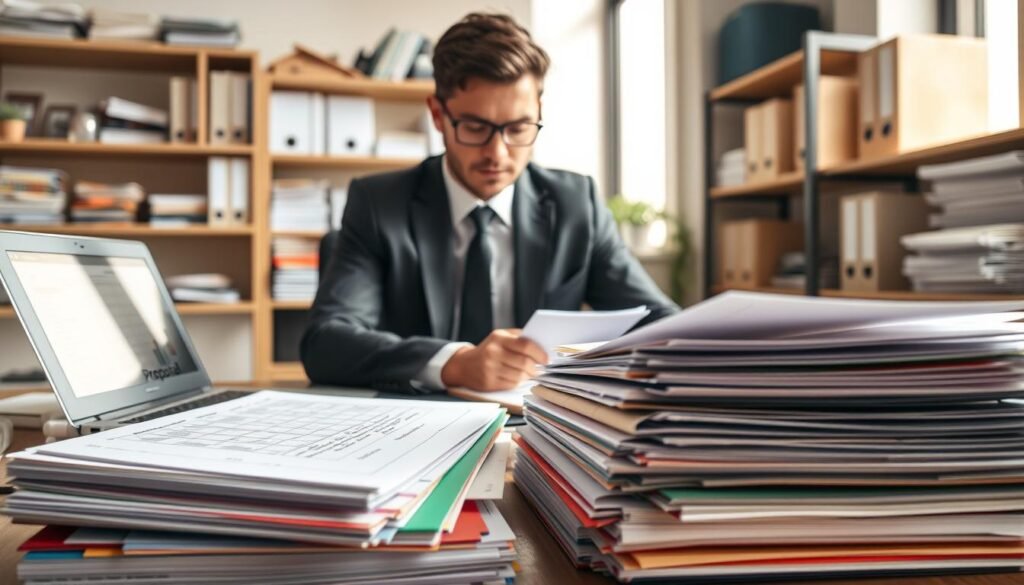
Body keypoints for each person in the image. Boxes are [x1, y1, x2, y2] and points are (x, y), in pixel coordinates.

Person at [301, 12, 678, 394]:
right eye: (475, 128)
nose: (497, 153)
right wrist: (454, 363)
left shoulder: (576, 203)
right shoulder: (379, 204)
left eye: (518, 129)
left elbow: (660, 323)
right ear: (437, 115)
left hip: (542, 425)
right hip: (417, 421)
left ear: (539, 114)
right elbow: (326, 343)